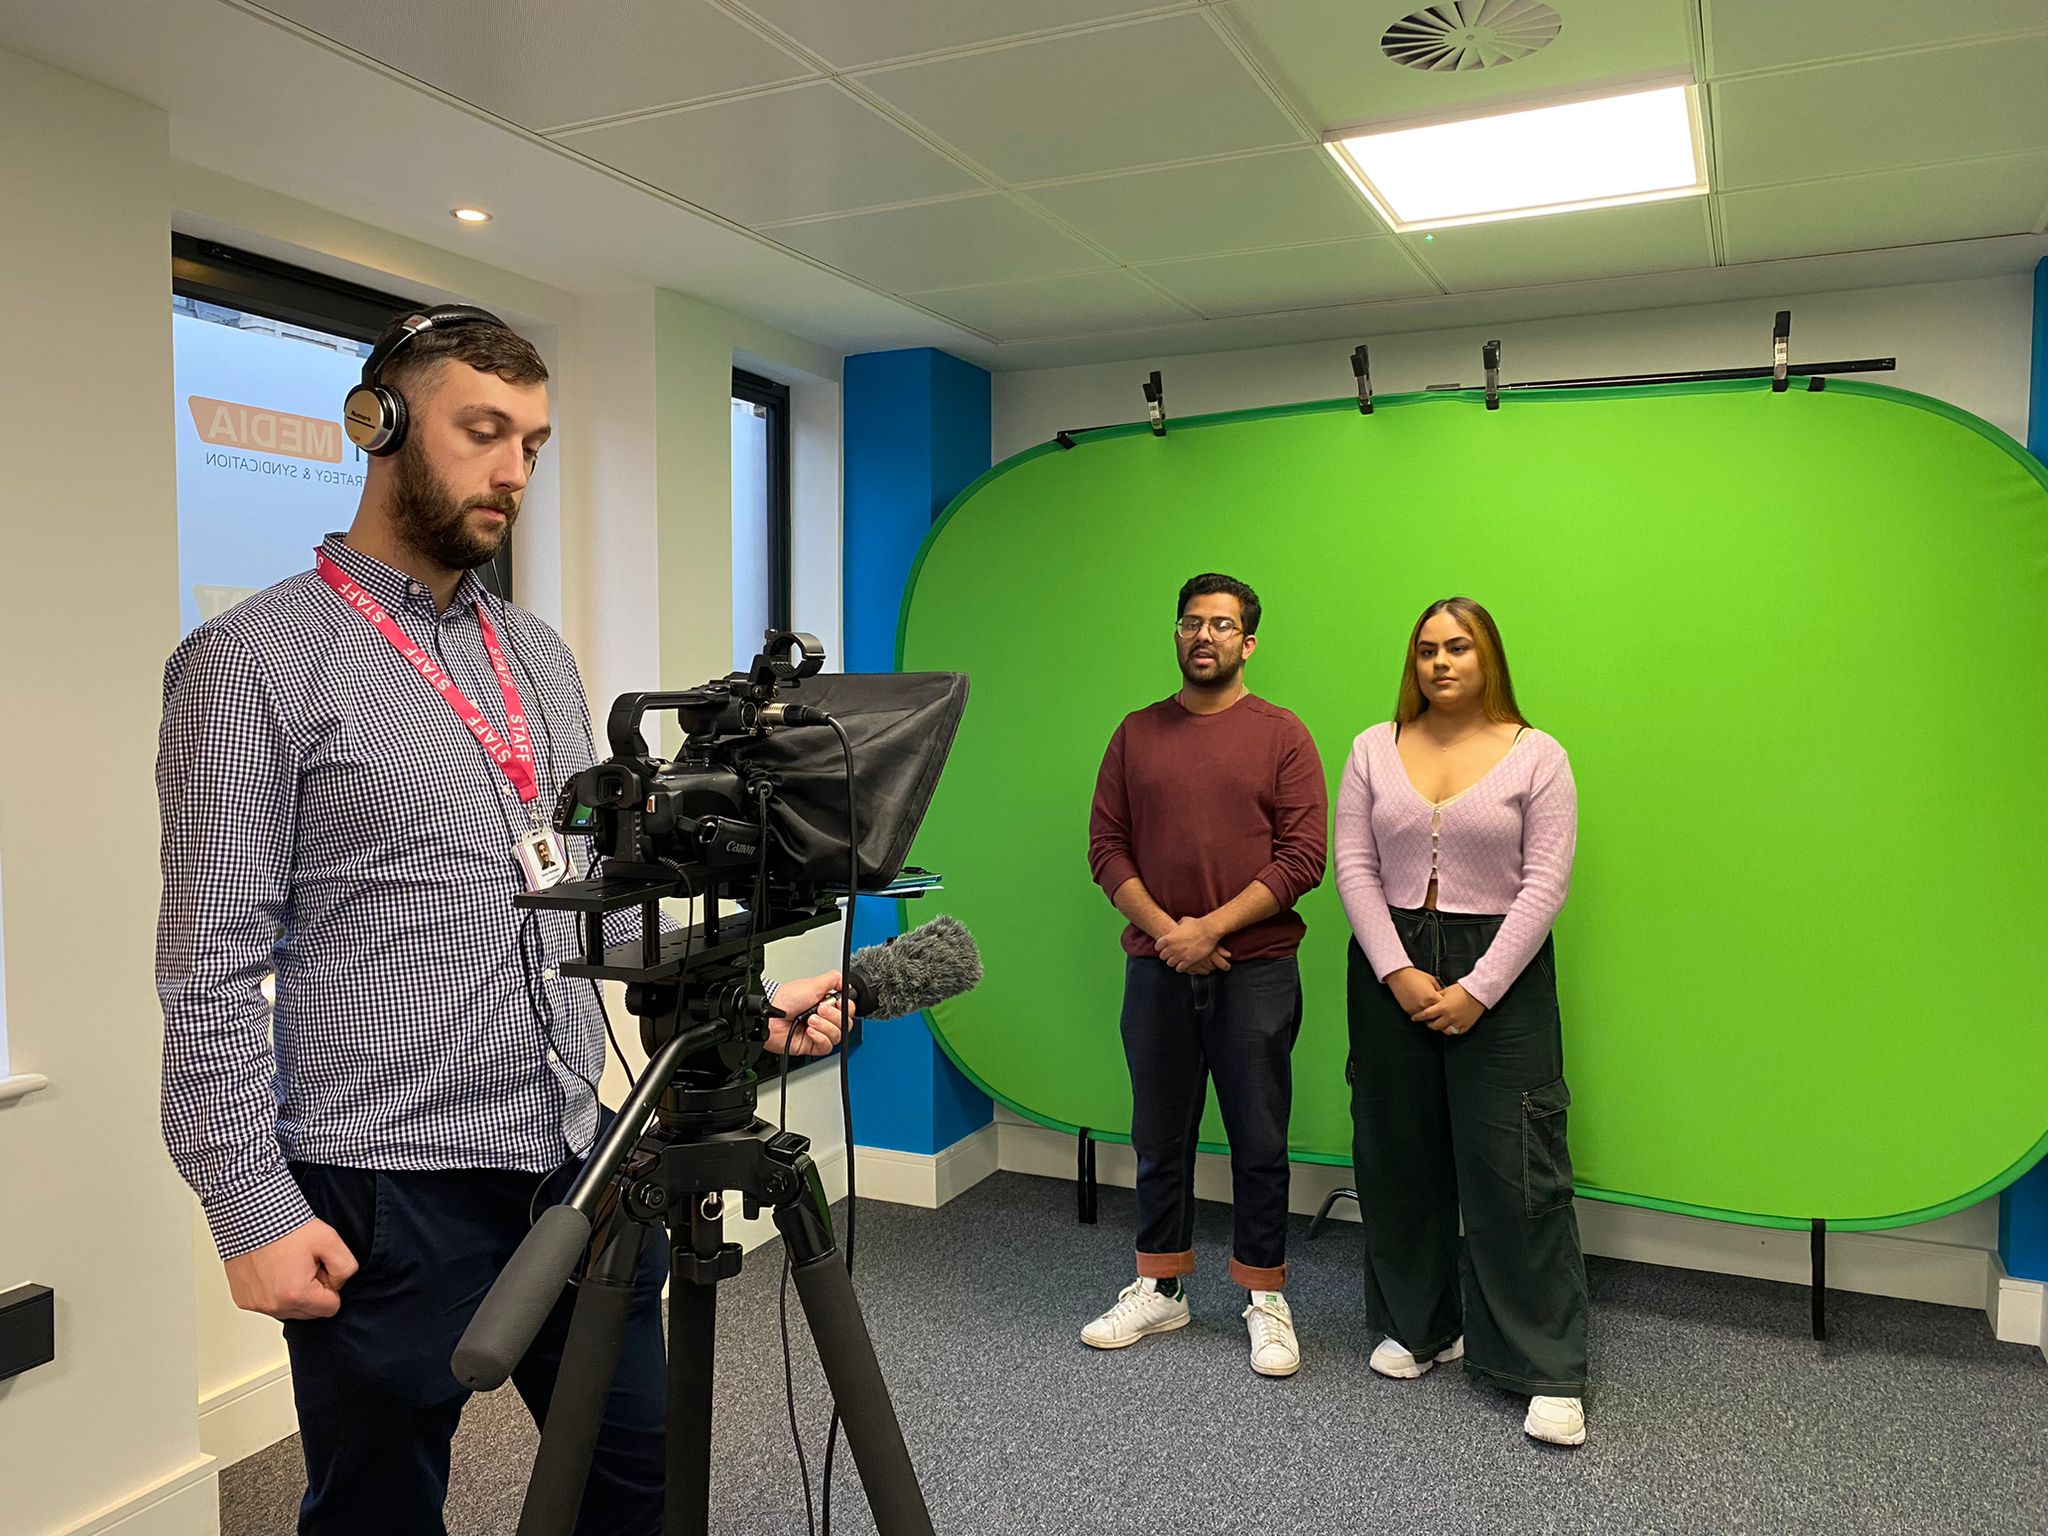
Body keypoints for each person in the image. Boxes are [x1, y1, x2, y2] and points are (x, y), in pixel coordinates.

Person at [156, 305, 850, 1534]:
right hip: (383, 1187)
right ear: (377, 425)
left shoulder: (539, 657)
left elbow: (579, 899)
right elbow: (204, 969)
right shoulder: (250, 660)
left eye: (532, 443)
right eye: (483, 433)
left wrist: (728, 1001)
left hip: (576, 1158)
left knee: (633, 1482)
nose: (513, 471)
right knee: (376, 1508)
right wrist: (247, 1206)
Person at [1332, 595, 1589, 1446]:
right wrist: (1397, 970)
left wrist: (1478, 988)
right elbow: (1355, 867)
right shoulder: (1373, 747)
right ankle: (1421, 1326)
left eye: (1459, 648)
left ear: (1489, 660)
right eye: (1427, 650)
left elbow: (1544, 885)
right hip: (1388, 966)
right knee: (1397, 1154)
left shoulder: (1538, 756)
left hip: (1502, 973)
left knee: (1516, 1166)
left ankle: (1543, 1366)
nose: (1441, 662)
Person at [1082, 573, 1328, 1376]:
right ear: (1177, 635)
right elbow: (1106, 848)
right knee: (1159, 1134)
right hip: (1156, 970)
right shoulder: (1135, 734)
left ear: (1247, 643)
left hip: (1256, 968)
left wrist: (1210, 930)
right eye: (1191, 623)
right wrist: (1169, 935)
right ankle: (1162, 1287)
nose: (1204, 637)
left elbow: (1303, 857)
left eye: (1222, 626)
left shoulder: (1283, 736)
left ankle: (1264, 1297)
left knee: (1259, 1138)